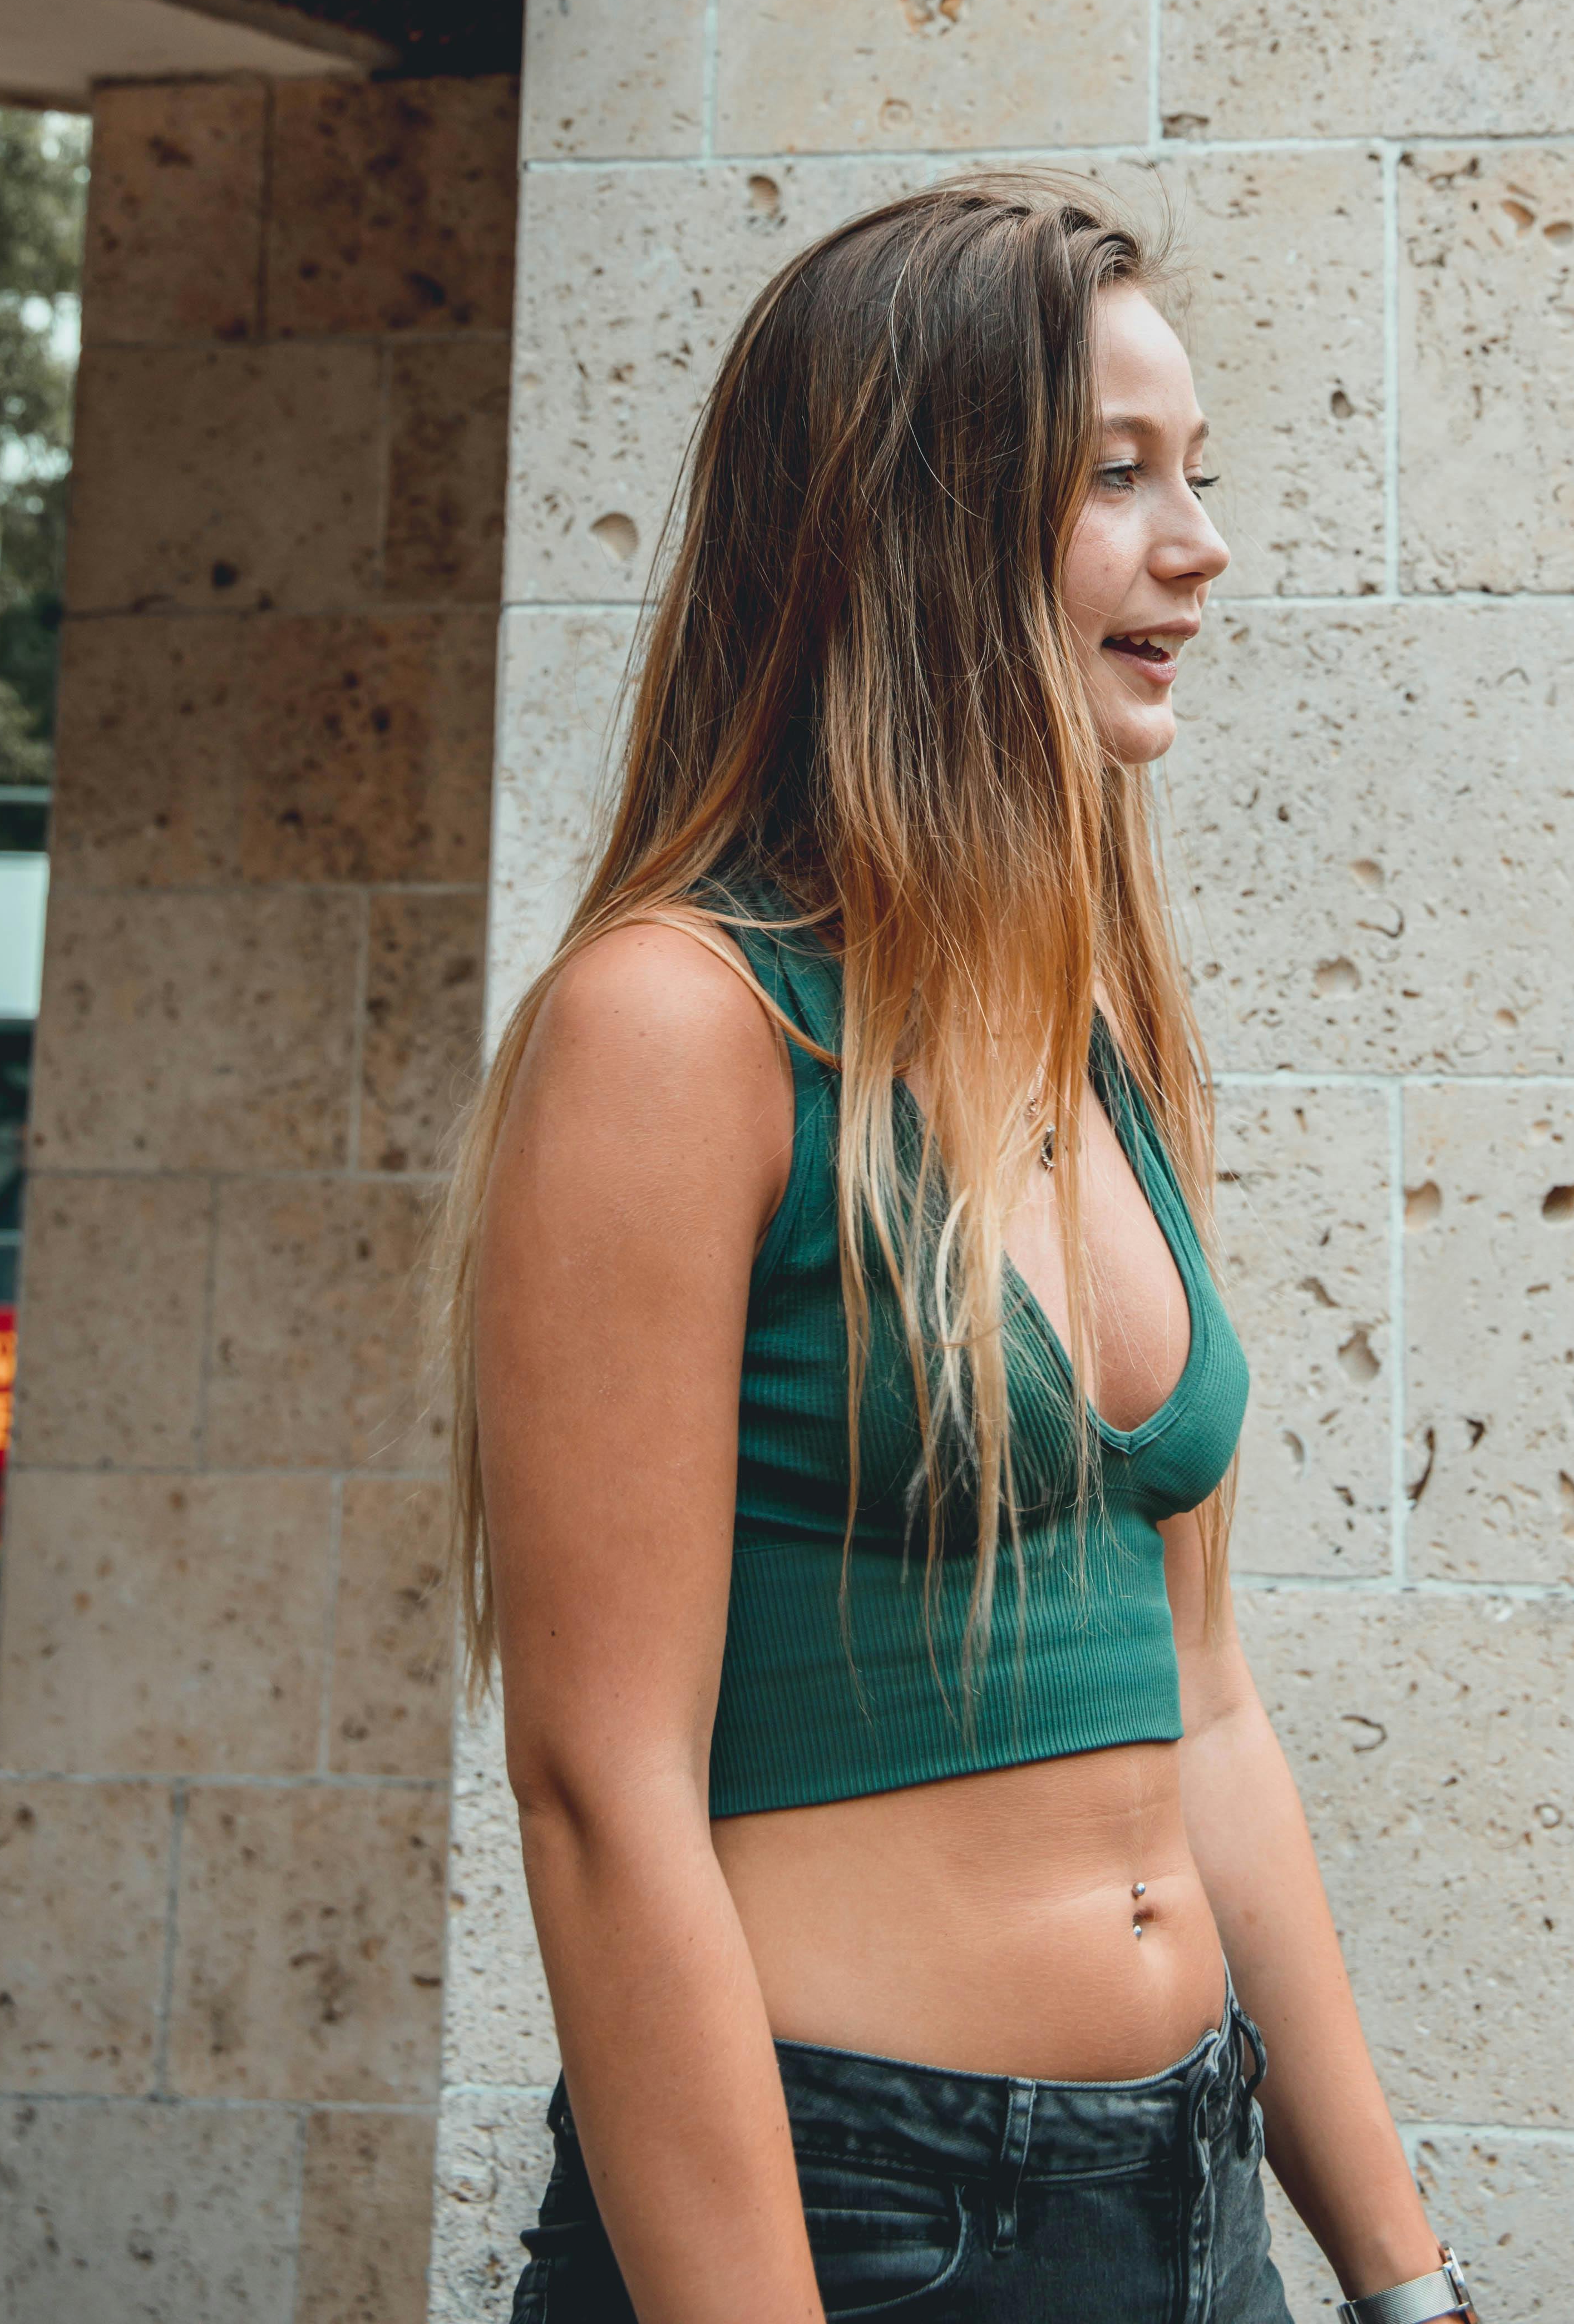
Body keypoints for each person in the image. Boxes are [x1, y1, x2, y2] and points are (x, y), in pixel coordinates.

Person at [435, 179, 1478, 2324]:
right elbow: (597, 1789)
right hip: (848, 2217)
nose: (1199, 546)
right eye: (1116, 480)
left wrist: (1400, 2278)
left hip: (1188, 2202)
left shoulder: (1097, 1033)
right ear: (908, 524)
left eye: (1200, 477)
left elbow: (1207, 1708)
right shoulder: (679, 1024)